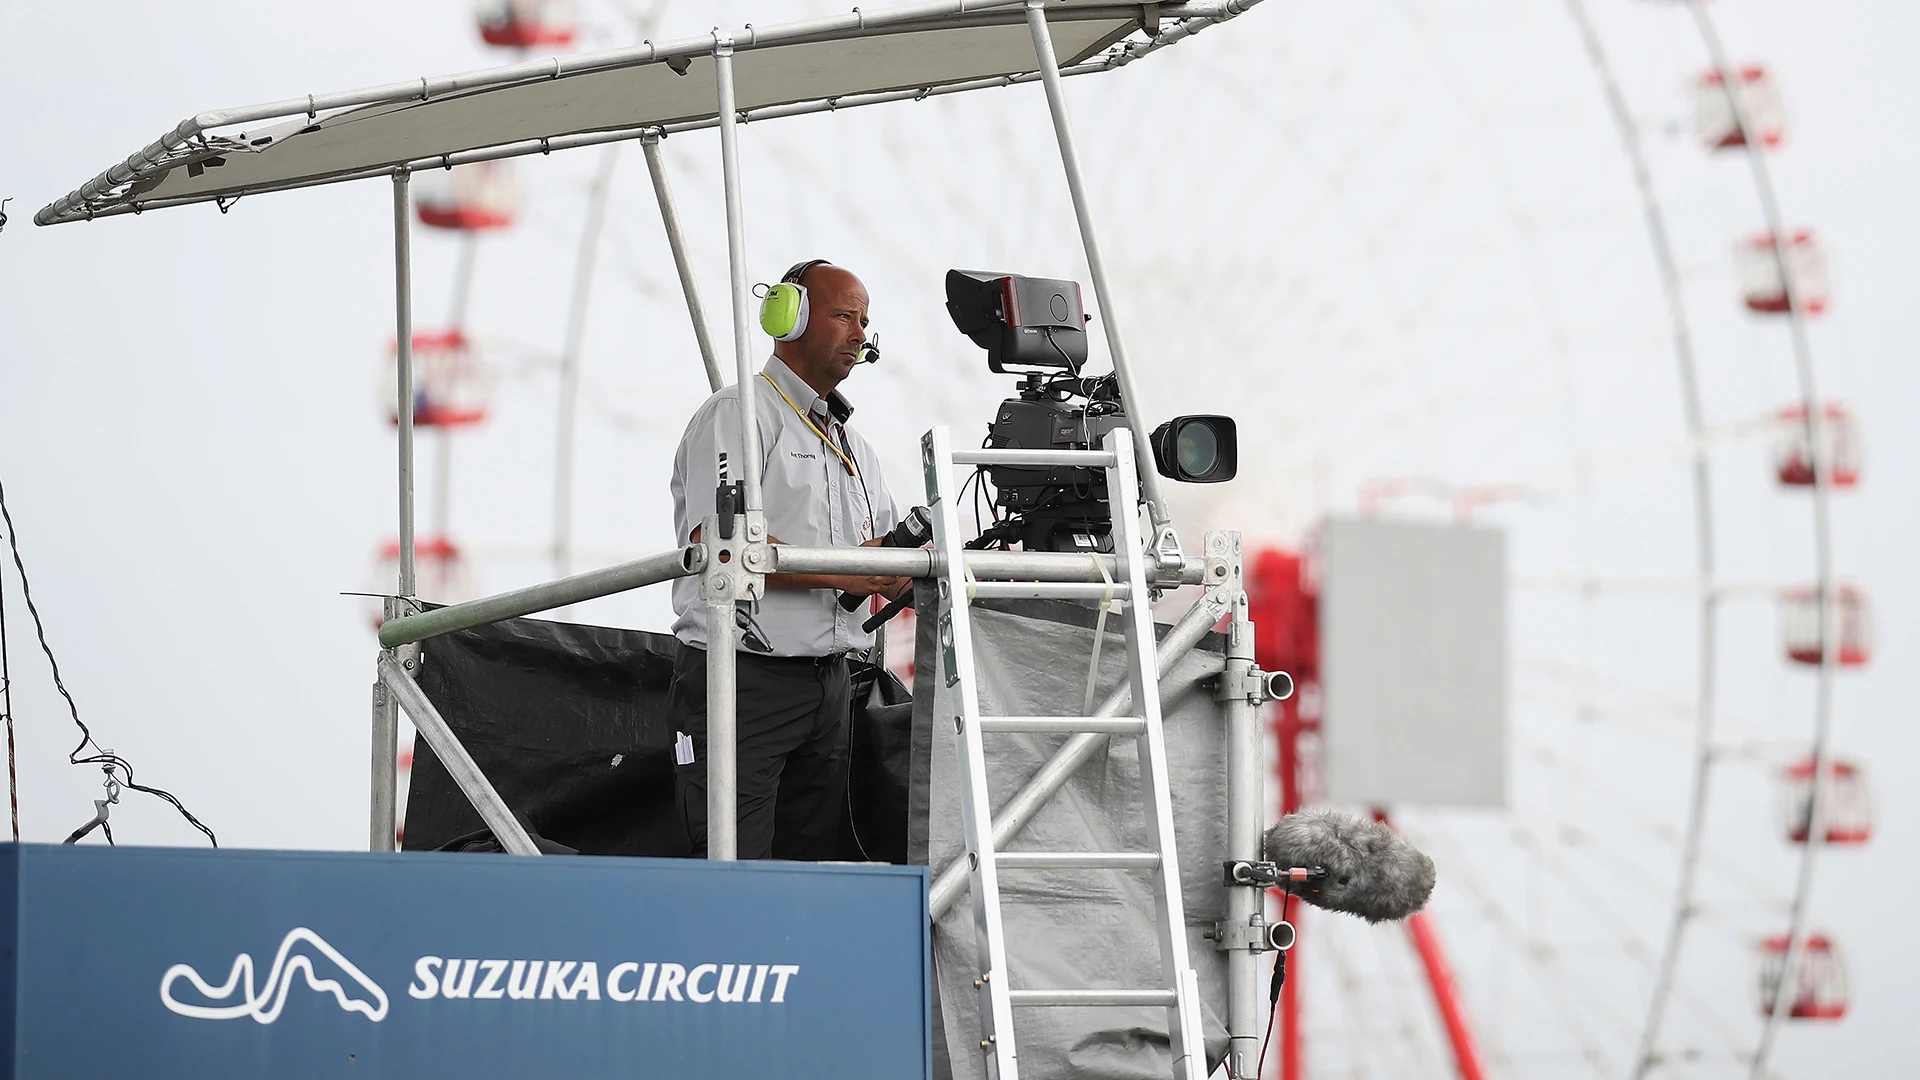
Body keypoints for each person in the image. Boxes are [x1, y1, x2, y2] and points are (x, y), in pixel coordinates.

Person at [667, 260, 909, 860]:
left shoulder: (857, 446)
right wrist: (853, 568)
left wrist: (907, 565)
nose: (860, 334)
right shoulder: (737, 414)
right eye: (844, 315)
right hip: (740, 676)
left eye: (866, 321)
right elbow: (717, 541)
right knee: (732, 865)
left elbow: (882, 552)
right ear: (788, 316)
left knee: (812, 873)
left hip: (830, 685)